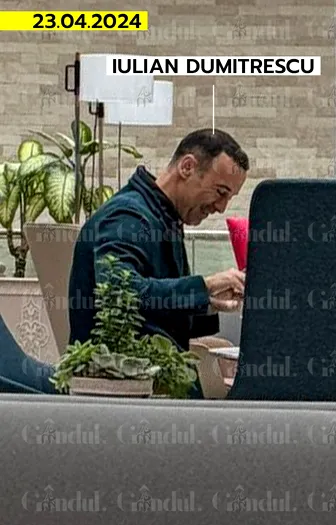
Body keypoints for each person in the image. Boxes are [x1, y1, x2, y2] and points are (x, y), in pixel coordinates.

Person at [66, 129, 250, 393]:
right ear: (187, 167)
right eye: (220, 192)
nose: (221, 207)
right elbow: (121, 295)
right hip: (127, 389)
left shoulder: (162, 216)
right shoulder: (128, 217)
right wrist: (205, 286)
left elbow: (155, 310)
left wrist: (209, 302)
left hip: (148, 383)